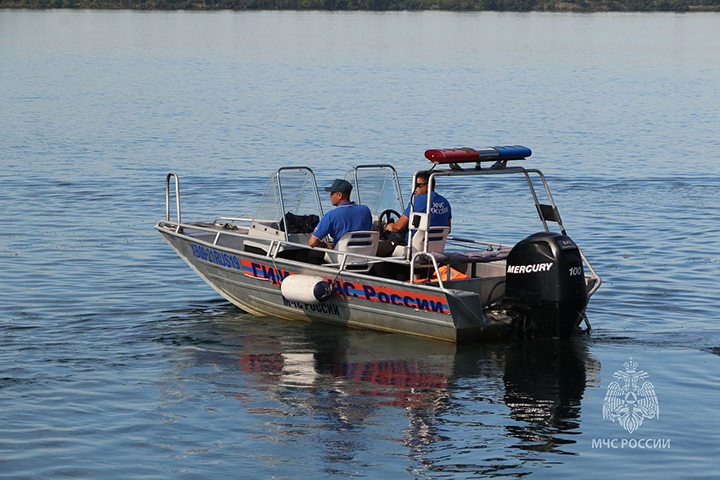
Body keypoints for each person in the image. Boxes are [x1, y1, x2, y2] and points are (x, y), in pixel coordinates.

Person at [384, 171, 452, 239]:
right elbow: (448, 229)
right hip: (437, 246)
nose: (414, 189)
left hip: (413, 246)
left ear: (428, 186)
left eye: (418, 185)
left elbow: (397, 228)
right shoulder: (445, 202)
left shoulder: (417, 200)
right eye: (414, 185)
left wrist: (388, 226)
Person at [308, 179, 372, 250]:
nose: (330, 196)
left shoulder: (331, 215)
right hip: (365, 253)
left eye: (332, 193)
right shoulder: (365, 210)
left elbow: (312, 242)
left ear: (339, 195)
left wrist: (325, 245)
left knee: (311, 254)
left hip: (342, 255)